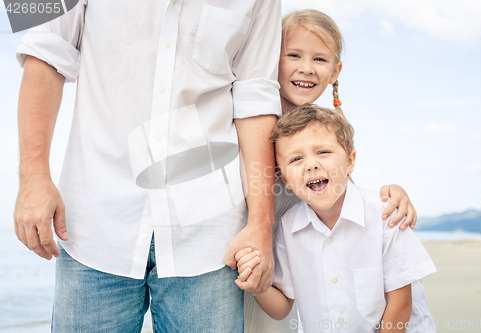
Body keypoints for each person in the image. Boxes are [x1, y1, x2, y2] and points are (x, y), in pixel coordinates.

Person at [13, 1, 282, 331]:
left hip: (210, 234)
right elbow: (44, 51)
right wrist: (33, 177)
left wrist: (261, 222)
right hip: (95, 223)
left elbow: (256, 97)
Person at [243, 9, 419, 333]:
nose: (307, 68)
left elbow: (345, 192)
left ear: (336, 71)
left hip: (298, 246)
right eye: (293, 54)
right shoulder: (252, 116)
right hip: (254, 247)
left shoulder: (324, 126)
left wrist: (394, 192)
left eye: (320, 60)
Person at [237, 104, 437, 333]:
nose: (311, 164)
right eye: (296, 159)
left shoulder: (386, 216)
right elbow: (282, 307)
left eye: (323, 152)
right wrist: (258, 284)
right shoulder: (288, 226)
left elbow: (400, 305)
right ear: (285, 180)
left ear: (350, 161)